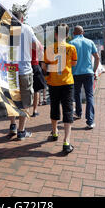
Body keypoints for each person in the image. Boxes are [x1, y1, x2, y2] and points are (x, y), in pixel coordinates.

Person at [42, 23, 77, 154]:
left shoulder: (49, 48)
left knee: (54, 107)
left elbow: (44, 67)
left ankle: (55, 132)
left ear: (55, 34)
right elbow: (73, 63)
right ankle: (66, 141)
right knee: (68, 109)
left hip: (53, 82)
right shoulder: (71, 48)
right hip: (67, 82)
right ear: (67, 35)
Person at [8, 11, 40, 141]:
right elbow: (36, 45)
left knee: (12, 100)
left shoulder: (6, 30)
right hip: (24, 70)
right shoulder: (26, 28)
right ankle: (21, 131)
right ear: (22, 18)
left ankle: (12, 125)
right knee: (25, 102)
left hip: (10, 70)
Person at [69, 26, 100, 130]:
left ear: (74, 33)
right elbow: (97, 57)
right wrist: (94, 70)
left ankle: (78, 112)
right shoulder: (90, 42)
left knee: (76, 93)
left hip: (76, 73)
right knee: (89, 96)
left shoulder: (71, 43)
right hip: (88, 73)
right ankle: (90, 121)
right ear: (83, 32)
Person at [31, 39, 45, 117]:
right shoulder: (36, 42)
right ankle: (34, 110)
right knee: (36, 90)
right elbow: (41, 55)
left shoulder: (19, 41)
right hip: (34, 65)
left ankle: (22, 109)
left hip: (22, 66)